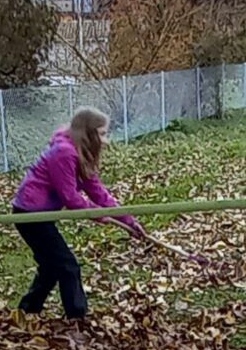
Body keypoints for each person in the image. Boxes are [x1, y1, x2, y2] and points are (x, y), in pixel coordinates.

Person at [10, 106, 147, 318]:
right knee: (67, 266)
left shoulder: (79, 152)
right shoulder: (63, 153)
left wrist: (128, 221)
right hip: (30, 214)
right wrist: (100, 215)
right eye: (102, 134)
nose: (105, 140)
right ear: (88, 133)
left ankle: (27, 311)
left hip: (42, 214)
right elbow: (71, 198)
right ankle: (77, 318)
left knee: (51, 266)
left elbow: (98, 192)